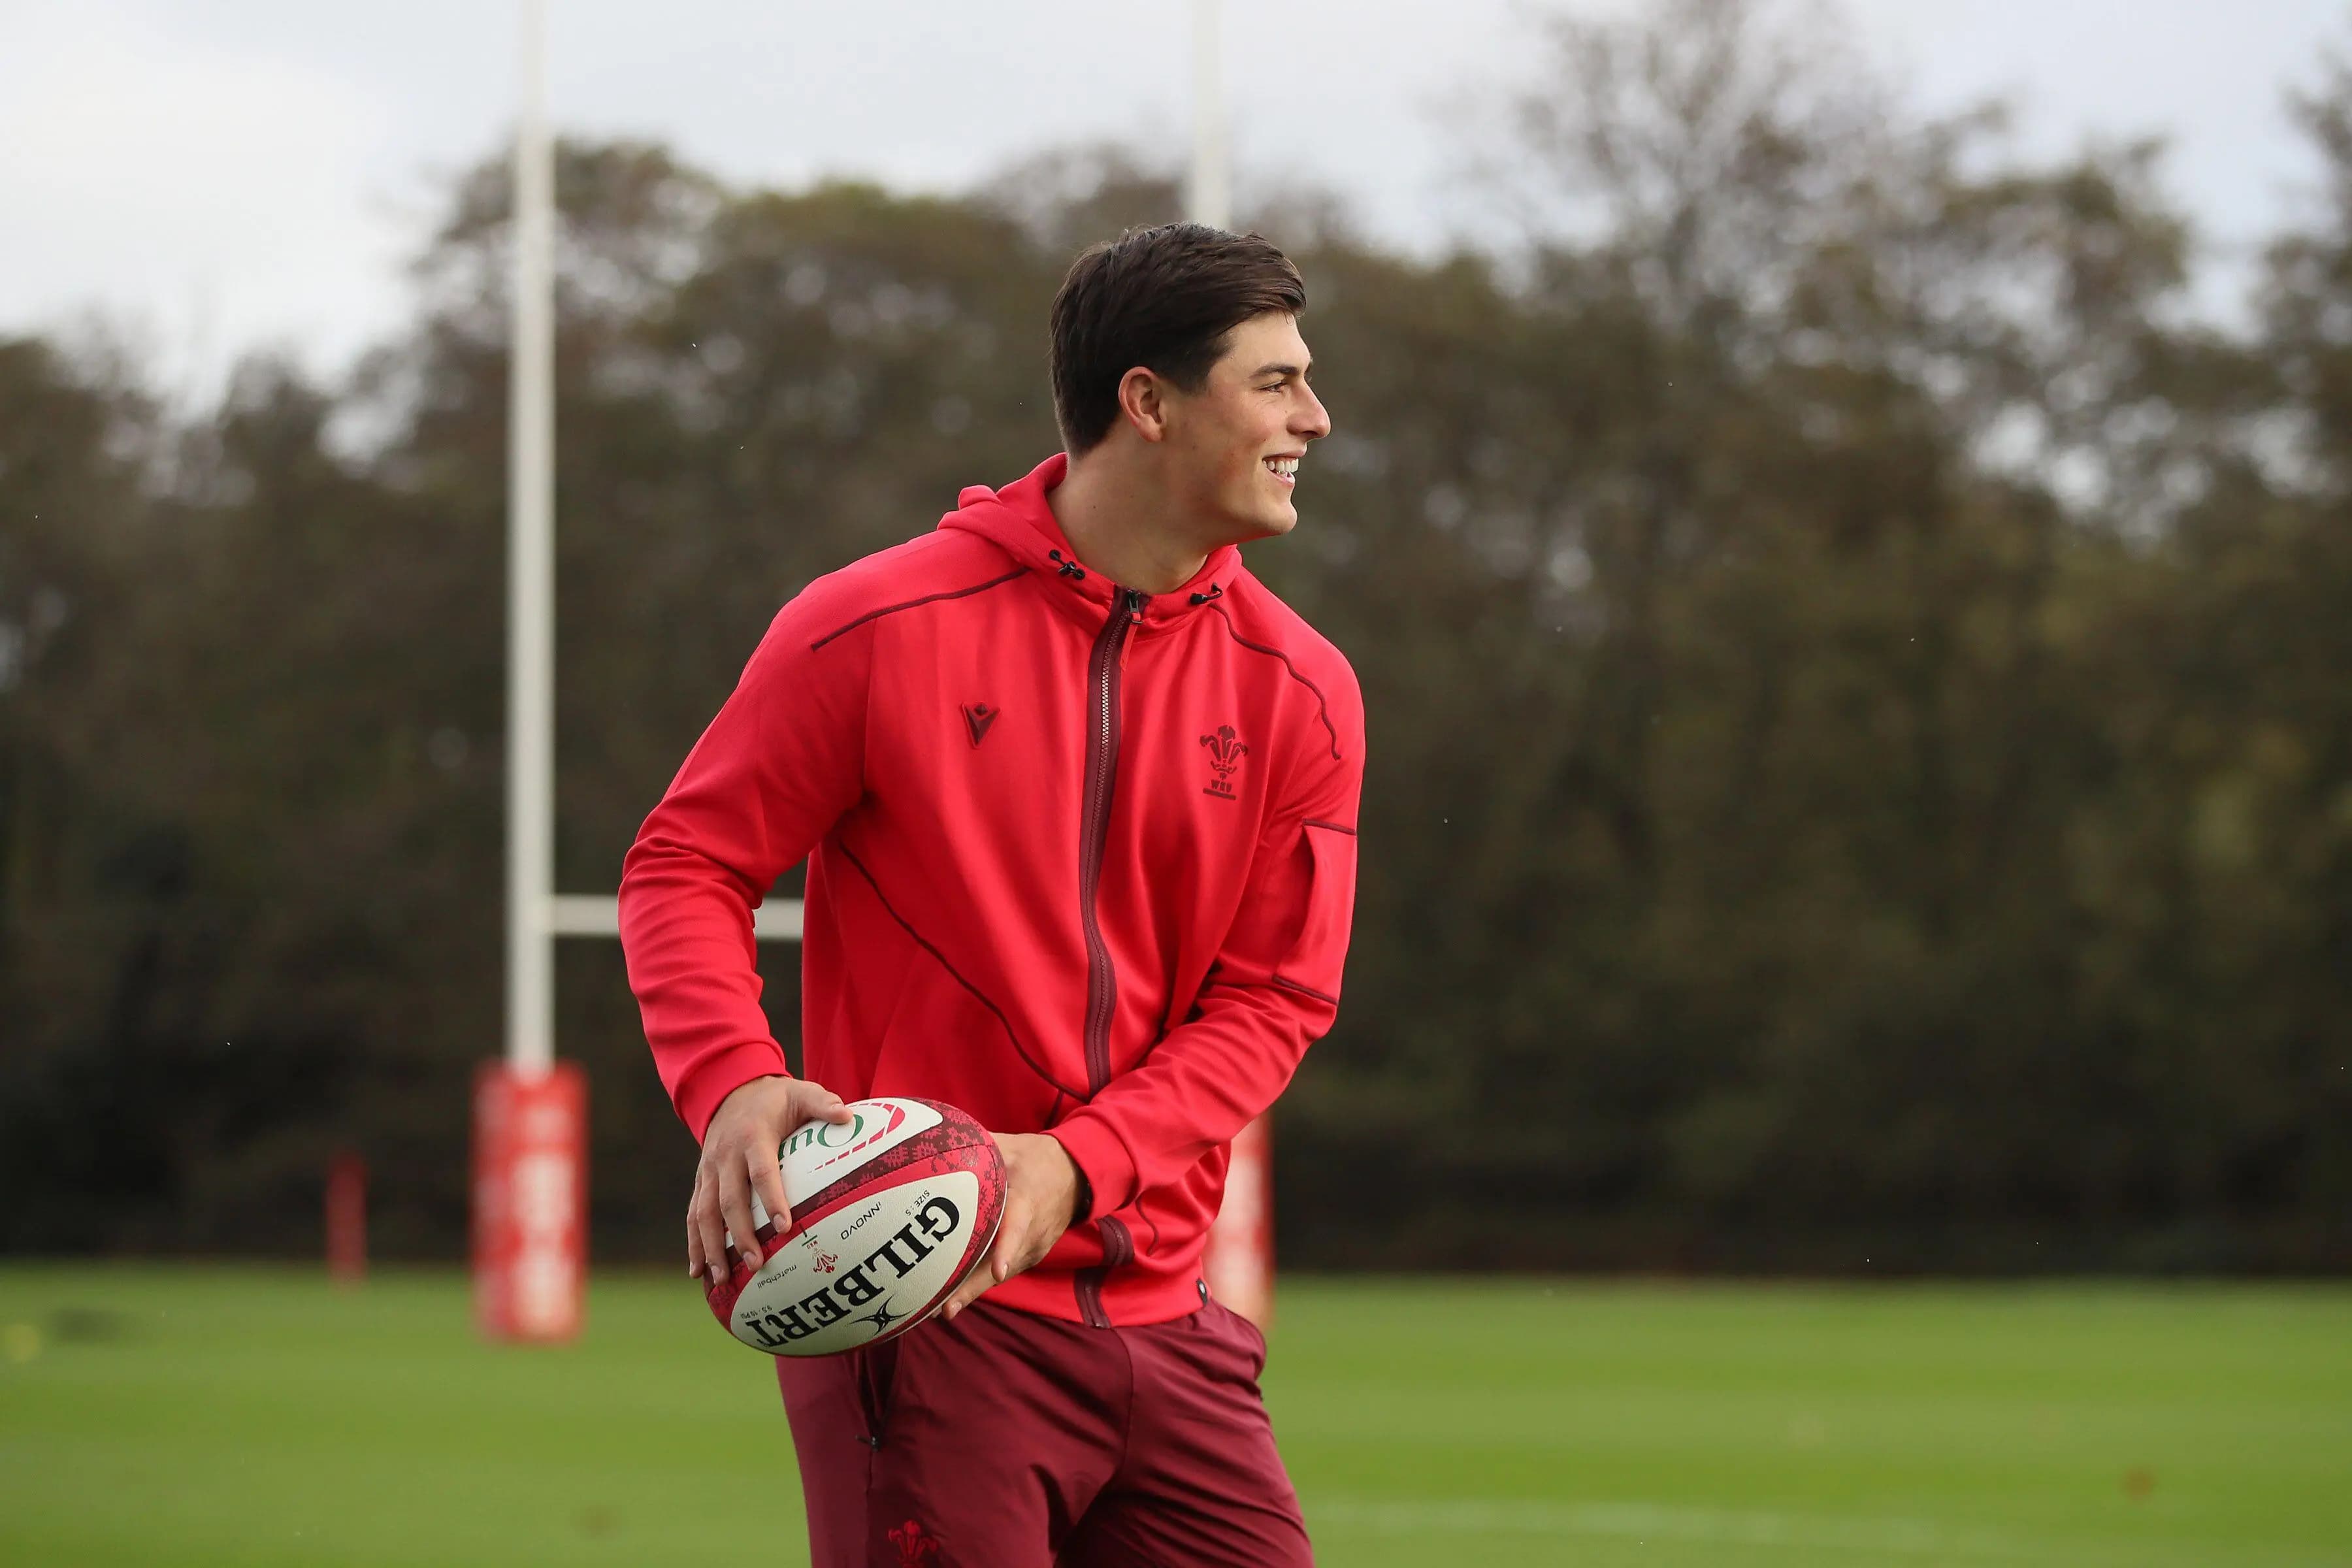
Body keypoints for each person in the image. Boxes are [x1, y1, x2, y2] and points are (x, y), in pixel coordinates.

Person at [618, 221, 1361, 1567]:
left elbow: (1276, 1000)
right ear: (1148, 401)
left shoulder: (1306, 690)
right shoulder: (871, 624)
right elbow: (688, 863)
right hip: (925, 1313)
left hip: (1166, 1318)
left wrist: (1074, 1169)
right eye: (1274, 382)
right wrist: (731, 1076)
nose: (1314, 415)